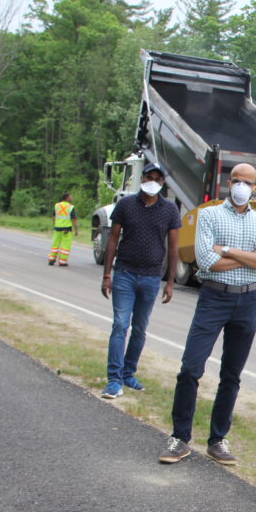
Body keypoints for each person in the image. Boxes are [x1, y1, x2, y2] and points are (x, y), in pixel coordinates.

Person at [158, 163, 256, 466]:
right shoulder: (209, 215)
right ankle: (180, 438)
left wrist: (226, 251)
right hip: (214, 298)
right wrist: (251, 257)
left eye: (247, 182)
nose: (241, 187)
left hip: (248, 300)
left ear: (255, 188)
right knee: (190, 368)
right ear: (229, 183)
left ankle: (217, 440)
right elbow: (205, 260)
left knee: (232, 374)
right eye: (236, 181)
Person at [99, 163, 181, 399]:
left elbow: (173, 247)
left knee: (140, 329)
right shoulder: (125, 205)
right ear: (142, 178)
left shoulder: (169, 209)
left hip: (151, 276)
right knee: (120, 325)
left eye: (157, 178)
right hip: (124, 273)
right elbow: (113, 239)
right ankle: (114, 379)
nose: (152, 181)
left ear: (163, 183)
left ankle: (128, 373)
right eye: (148, 177)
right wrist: (107, 275)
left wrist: (170, 281)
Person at [48, 193, 78, 266]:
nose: (71, 198)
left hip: (57, 228)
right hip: (66, 229)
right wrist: (76, 229)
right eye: (70, 197)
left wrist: (54, 225)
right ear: (67, 198)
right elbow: (73, 219)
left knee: (55, 243)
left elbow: (54, 217)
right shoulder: (70, 207)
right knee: (65, 245)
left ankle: (51, 259)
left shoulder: (57, 205)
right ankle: (62, 261)